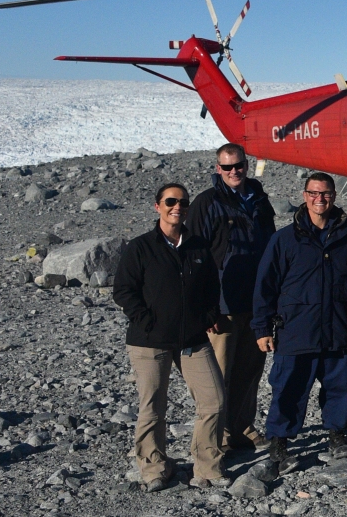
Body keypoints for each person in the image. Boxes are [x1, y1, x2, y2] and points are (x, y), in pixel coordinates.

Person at [113, 183, 226, 491]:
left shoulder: (198, 247)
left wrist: (206, 317)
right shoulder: (141, 247)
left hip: (192, 340)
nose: (177, 207)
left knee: (213, 400)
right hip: (149, 341)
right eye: (171, 201)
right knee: (152, 407)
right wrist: (146, 321)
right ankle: (154, 468)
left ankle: (207, 466)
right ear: (158, 206)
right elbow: (124, 290)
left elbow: (211, 289)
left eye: (183, 202)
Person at [252, 173, 347, 473]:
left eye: (325, 193)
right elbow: (266, 285)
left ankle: (337, 434)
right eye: (314, 193)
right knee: (288, 388)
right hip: (296, 329)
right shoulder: (285, 239)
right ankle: (279, 440)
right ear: (304, 195)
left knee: (339, 386)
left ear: (334, 196)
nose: (320, 199)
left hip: (338, 328)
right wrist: (262, 328)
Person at [187, 143, 276, 452]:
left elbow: (271, 249)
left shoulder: (259, 199)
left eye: (238, 165)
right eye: (227, 167)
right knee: (219, 373)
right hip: (223, 306)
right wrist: (205, 307)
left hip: (256, 302)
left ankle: (243, 426)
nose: (234, 171)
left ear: (246, 165)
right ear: (217, 169)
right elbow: (195, 257)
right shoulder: (207, 203)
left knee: (250, 371)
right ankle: (219, 435)